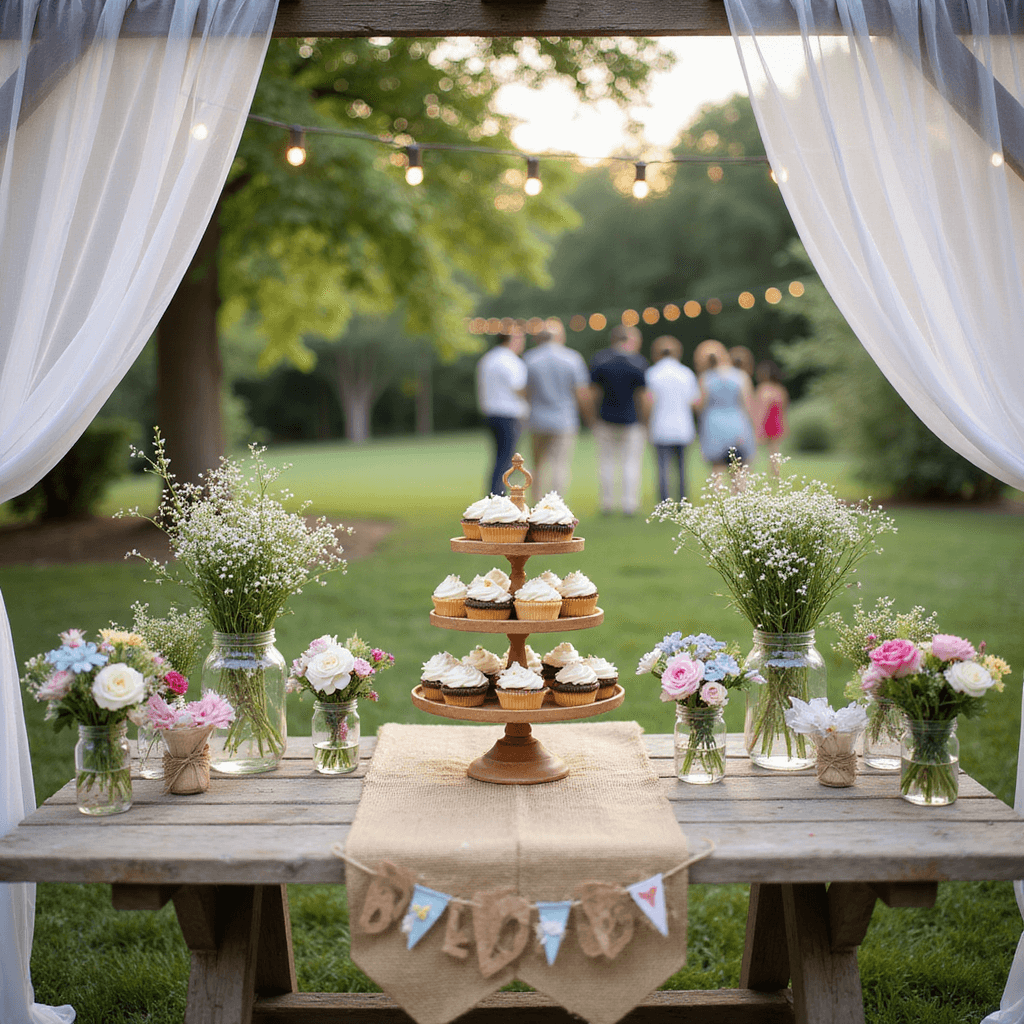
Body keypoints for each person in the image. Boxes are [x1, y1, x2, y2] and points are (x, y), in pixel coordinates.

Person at [523, 320, 591, 501]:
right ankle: (555, 505)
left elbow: (526, 392)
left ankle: (536, 504)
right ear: (560, 337)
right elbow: (581, 392)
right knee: (560, 465)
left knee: (537, 466)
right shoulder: (572, 358)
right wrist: (589, 418)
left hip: (537, 419)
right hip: (564, 420)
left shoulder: (530, 358)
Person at [588, 323, 649, 515]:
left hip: (605, 418)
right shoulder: (638, 363)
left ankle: (606, 503)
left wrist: (592, 418)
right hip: (631, 421)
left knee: (606, 463)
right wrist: (645, 421)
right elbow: (643, 397)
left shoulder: (600, 360)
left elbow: (593, 393)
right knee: (630, 463)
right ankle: (629, 504)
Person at [644, 335, 700, 503]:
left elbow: (648, 402)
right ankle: (683, 500)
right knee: (682, 469)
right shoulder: (686, 373)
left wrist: (645, 423)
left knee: (663, 469)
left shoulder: (652, 374)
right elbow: (695, 401)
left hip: (660, 426)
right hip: (683, 427)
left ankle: (664, 503)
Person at [694, 338, 756, 483]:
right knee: (739, 470)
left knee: (717, 470)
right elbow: (748, 405)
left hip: (713, 425)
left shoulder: (705, 378)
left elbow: (700, 405)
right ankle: (739, 503)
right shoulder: (740, 376)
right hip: (738, 424)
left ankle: (718, 503)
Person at [475, 326, 527, 495]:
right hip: (509, 414)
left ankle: (496, 492)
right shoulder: (511, 361)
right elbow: (519, 388)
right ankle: (498, 494)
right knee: (507, 459)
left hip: (490, 412)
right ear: (512, 339)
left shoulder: (487, 359)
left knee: (500, 457)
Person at [754, 359, 790, 474]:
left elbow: (762, 410)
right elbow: (784, 409)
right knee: (774, 451)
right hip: (777, 421)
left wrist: (757, 427)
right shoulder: (780, 389)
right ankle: (775, 473)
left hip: (767, 422)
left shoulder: (763, 389)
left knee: (762, 450)